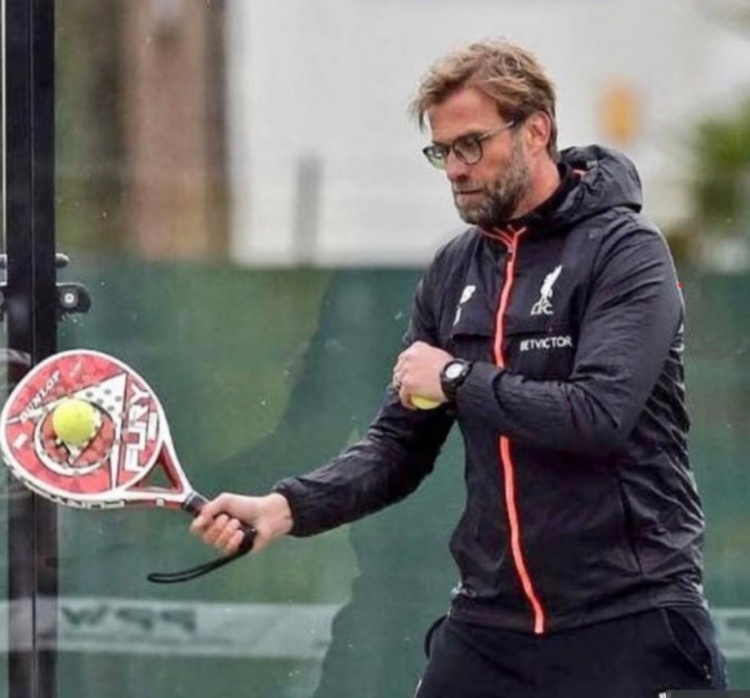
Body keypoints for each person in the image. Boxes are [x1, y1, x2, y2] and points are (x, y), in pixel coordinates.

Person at [191, 39, 728, 696]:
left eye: (471, 145)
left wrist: (454, 379)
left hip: (629, 617)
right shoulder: (452, 271)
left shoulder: (627, 251)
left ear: (536, 131)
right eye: (442, 151)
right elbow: (398, 448)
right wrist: (284, 508)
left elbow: (597, 416)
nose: (454, 168)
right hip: (490, 626)